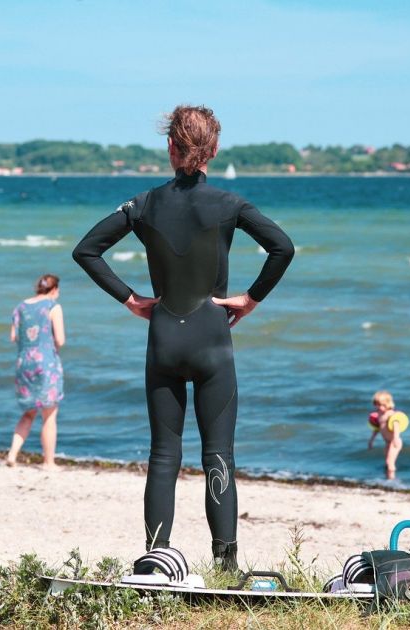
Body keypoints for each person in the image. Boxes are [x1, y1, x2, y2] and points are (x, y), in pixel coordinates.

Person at [72, 105, 294, 571]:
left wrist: (131, 299)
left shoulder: (144, 204)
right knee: (218, 454)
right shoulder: (231, 204)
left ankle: (156, 560)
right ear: (213, 150)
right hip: (214, 342)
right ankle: (226, 567)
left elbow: (86, 250)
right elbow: (282, 247)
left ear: (170, 147)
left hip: (164, 341)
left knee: (163, 454)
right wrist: (250, 299)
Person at [6, 274, 65, 470]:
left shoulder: (20, 307)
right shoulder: (53, 306)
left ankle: (12, 455)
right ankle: (48, 462)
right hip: (46, 363)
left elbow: (13, 336)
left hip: (24, 363)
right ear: (54, 289)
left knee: (28, 413)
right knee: (49, 415)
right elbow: (61, 340)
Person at [367, 390, 409, 479]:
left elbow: (396, 424)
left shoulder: (390, 414)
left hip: (394, 442)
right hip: (387, 442)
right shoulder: (378, 415)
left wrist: (396, 438)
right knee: (387, 461)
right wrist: (371, 440)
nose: (378, 407)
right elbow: (377, 429)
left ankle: (392, 482)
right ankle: (387, 478)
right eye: (377, 404)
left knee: (390, 462)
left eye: (381, 405)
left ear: (388, 404)